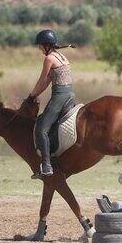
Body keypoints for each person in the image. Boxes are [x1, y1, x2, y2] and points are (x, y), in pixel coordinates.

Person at [27, 29, 75, 177]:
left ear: (46, 45)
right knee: (47, 122)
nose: (39, 48)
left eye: (40, 45)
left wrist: (31, 95)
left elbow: (43, 80)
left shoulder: (49, 59)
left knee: (41, 128)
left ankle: (47, 166)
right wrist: (36, 93)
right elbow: (48, 81)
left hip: (59, 96)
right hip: (70, 95)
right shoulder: (61, 56)